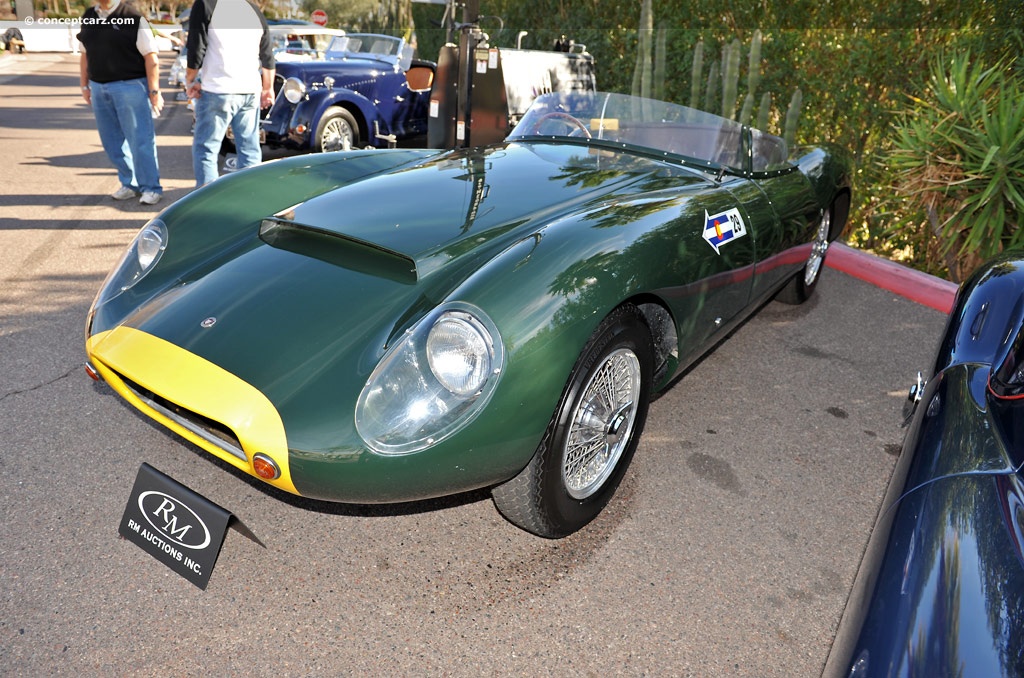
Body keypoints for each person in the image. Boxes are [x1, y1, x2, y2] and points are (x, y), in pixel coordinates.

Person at [77, 0, 164, 206]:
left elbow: (151, 58)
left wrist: (154, 91)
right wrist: (84, 85)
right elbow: (84, 54)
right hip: (99, 88)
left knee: (140, 140)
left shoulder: (133, 17)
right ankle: (129, 183)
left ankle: (151, 187)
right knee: (112, 142)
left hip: (130, 86)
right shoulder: (89, 16)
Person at [185, 0, 274, 187]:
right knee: (249, 150)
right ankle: (250, 199)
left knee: (206, 150)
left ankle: (207, 206)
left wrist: (190, 81)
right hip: (249, 90)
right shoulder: (253, 9)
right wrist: (268, 88)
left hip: (218, 91)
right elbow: (267, 56)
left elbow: (196, 48)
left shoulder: (206, 4)